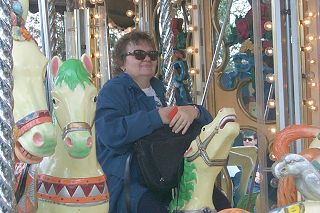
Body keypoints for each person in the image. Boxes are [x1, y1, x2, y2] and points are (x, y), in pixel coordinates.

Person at [95, 31, 213, 213]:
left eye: (152, 55)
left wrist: (194, 111)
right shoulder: (114, 90)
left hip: (168, 173)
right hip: (132, 179)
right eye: (139, 55)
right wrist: (157, 117)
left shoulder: (163, 89)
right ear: (122, 63)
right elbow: (110, 133)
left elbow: (206, 122)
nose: (147, 59)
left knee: (217, 202)